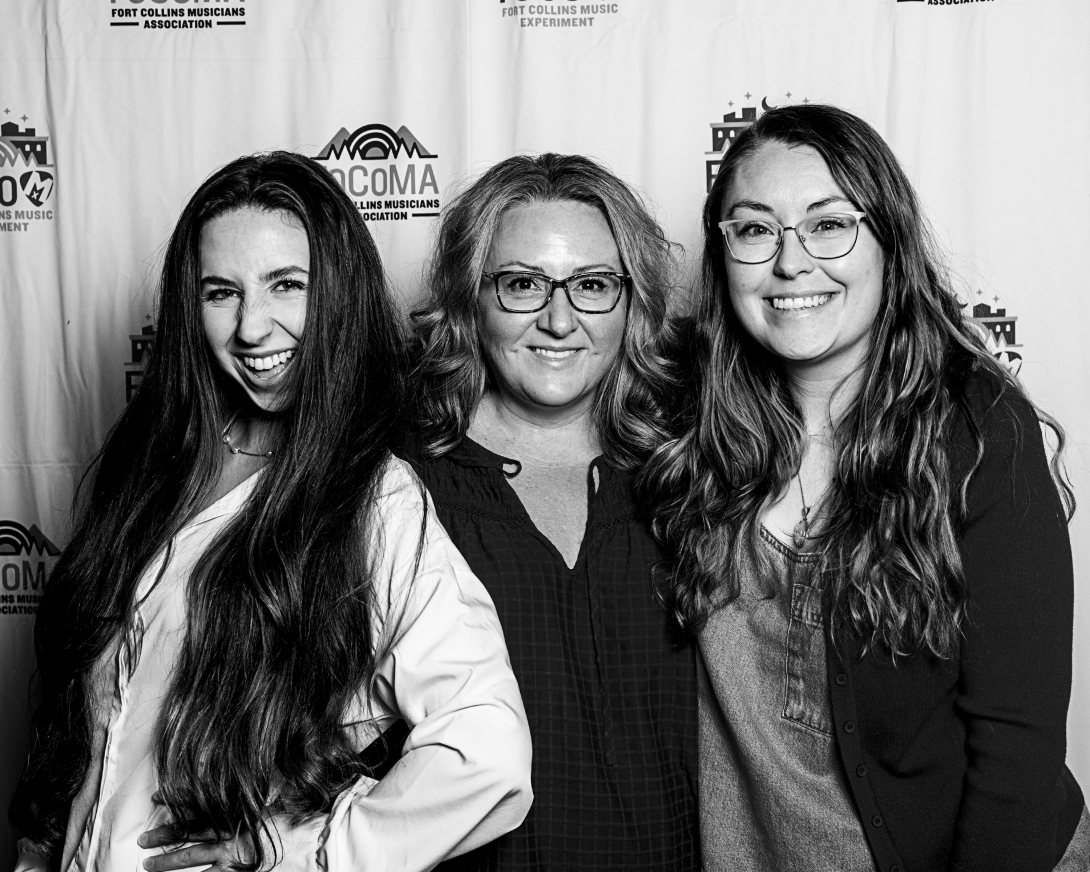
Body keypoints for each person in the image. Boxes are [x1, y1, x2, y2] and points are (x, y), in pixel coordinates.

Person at [9, 151, 532, 872]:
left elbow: (487, 752)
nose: (252, 327)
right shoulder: (153, 466)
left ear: (339, 294)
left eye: (287, 285)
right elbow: (92, 734)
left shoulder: (374, 499)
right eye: (221, 292)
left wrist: (299, 849)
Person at [640, 103, 1089, 872]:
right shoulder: (685, 417)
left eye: (828, 225)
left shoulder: (977, 432)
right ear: (723, 254)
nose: (791, 262)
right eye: (755, 230)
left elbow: (1017, 745)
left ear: (889, 240)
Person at [403, 153, 698, 870]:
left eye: (592, 285)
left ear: (632, 302)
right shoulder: (402, 482)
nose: (559, 320)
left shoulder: (692, 468)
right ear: (471, 296)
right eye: (522, 284)